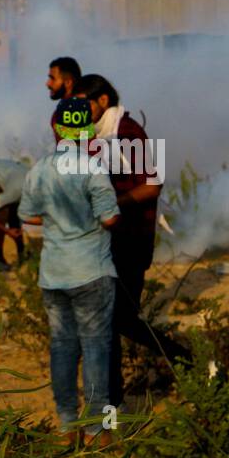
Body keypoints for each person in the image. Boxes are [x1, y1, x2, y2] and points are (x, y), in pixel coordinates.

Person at [73, 73, 190, 402]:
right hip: (109, 241)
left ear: (102, 101)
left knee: (112, 320)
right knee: (116, 320)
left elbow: (152, 186)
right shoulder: (99, 134)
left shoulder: (128, 133)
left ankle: (114, 398)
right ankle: (181, 362)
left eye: (84, 103)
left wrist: (113, 204)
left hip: (130, 240)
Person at [18, 98, 119, 447]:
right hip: (91, 271)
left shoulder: (39, 170)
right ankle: (95, 431)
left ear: (57, 128)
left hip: (54, 274)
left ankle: (66, 427)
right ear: (88, 130)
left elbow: (28, 215)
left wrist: (55, 221)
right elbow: (110, 219)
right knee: (95, 348)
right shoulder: (92, 168)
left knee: (62, 348)